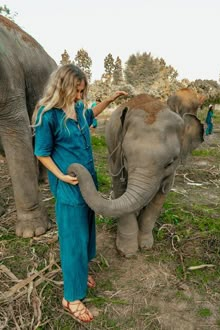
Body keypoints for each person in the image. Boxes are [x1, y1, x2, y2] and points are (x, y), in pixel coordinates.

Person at [32, 64, 127, 323]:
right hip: (69, 186)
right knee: (73, 240)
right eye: (76, 90)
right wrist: (61, 175)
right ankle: (72, 298)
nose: (79, 95)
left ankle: (81, 270)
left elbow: (90, 115)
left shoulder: (79, 109)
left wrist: (108, 100)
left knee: (87, 230)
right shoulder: (48, 114)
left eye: (82, 91)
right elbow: (41, 152)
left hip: (88, 184)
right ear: (62, 86)